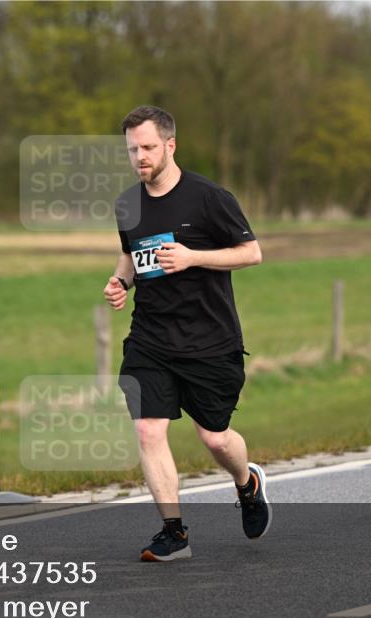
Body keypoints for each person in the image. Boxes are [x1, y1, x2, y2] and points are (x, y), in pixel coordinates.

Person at [103, 105, 270, 562]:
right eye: (133, 149)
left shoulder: (209, 197)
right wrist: (121, 282)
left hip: (209, 340)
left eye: (149, 147)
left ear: (170, 145)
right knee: (148, 429)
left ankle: (246, 483)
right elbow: (130, 254)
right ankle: (173, 533)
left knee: (215, 438)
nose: (140, 157)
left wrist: (194, 257)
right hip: (150, 338)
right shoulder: (126, 204)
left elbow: (252, 253)